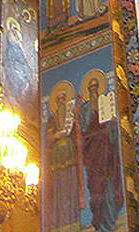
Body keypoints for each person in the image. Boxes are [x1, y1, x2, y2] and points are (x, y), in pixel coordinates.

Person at [78, 73, 122, 230]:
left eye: (96, 86)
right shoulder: (85, 108)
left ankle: (108, 220)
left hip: (106, 151)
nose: (93, 90)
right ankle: (98, 220)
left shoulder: (105, 103)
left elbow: (112, 130)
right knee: (95, 185)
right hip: (93, 153)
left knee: (108, 183)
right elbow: (82, 129)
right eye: (91, 87)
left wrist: (113, 123)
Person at [44, 83, 83, 232]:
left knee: (70, 187)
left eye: (63, 99)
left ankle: (73, 224)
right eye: (59, 99)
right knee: (58, 189)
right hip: (56, 159)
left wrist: (77, 120)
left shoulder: (70, 117)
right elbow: (48, 139)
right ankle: (58, 225)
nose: (61, 102)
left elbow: (77, 133)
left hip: (69, 156)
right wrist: (55, 136)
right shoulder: (52, 120)